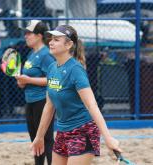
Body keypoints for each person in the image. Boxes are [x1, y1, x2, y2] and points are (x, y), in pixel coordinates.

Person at [31, 25, 122, 165]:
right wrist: (39, 137)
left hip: (83, 131)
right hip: (62, 131)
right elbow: (49, 106)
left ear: (68, 45)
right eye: (51, 39)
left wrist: (108, 138)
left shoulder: (75, 70)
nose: (51, 42)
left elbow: (91, 105)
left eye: (56, 39)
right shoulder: (52, 68)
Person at [15, 20, 55, 165]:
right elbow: (28, 79)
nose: (25, 36)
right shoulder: (32, 54)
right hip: (30, 100)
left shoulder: (46, 54)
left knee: (47, 139)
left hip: (44, 101)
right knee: (35, 139)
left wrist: (29, 80)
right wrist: (22, 82)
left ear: (39, 36)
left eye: (29, 33)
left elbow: (53, 79)